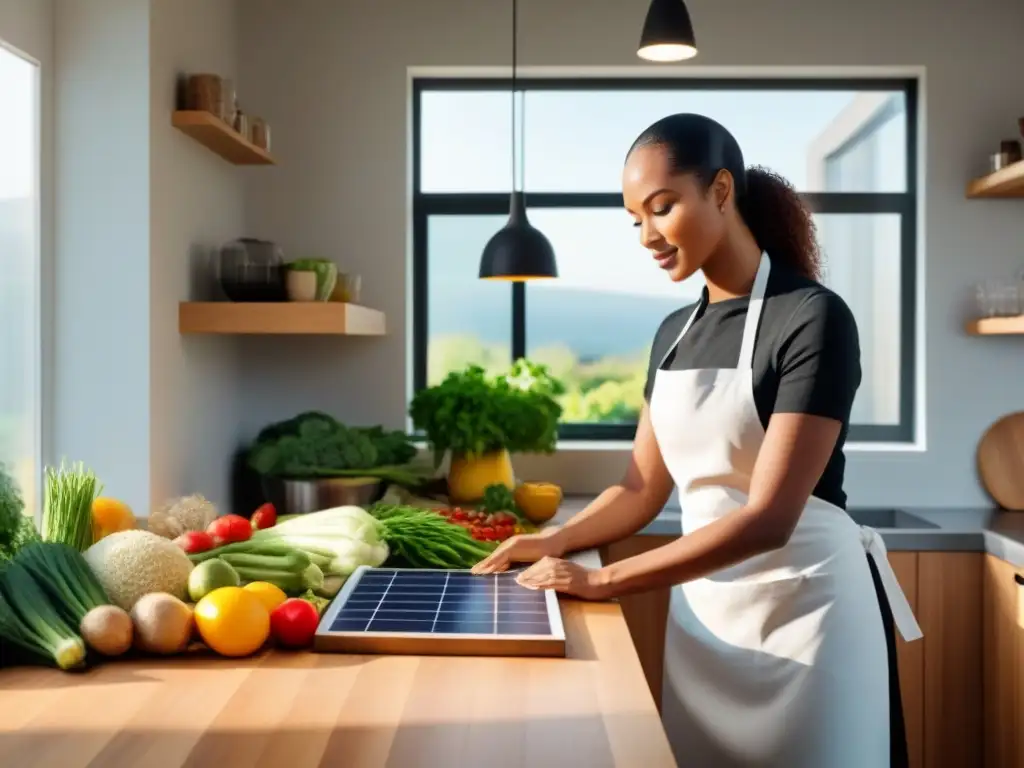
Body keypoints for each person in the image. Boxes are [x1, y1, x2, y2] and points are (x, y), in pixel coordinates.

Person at [472, 112, 923, 768]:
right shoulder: (673, 332)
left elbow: (767, 519)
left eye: (661, 208)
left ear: (719, 191)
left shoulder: (814, 318)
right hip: (705, 622)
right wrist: (555, 538)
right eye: (635, 219)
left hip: (808, 620)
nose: (647, 236)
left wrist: (604, 581)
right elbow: (640, 487)